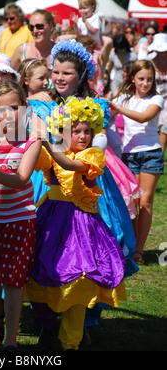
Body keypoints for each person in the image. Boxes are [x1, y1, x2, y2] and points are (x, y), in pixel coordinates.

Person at [24, 96, 127, 351]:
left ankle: (71, 341)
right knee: (41, 271)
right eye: (75, 131)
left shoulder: (93, 154)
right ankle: (48, 326)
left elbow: (68, 163)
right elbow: (31, 160)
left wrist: (47, 139)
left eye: (86, 131)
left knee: (80, 278)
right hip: (50, 219)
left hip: (82, 226)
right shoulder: (52, 150)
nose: (82, 135)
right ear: (64, 132)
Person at [0, 81, 41, 350]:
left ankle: (11, 341)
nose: (8, 115)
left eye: (15, 108)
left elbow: (21, 179)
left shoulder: (31, 139)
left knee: (13, 280)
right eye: (1, 109)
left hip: (20, 219)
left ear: (25, 108)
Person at [111, 60, 164, 265]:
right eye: (141, 79)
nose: (145, 83)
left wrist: (117, 107)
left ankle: (138, 251)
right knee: (132, 203)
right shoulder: (122, 98)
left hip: (151, 154)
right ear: (132, 78)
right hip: (129, 155)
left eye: (149, 79)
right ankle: (131, 247)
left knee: (146, 202)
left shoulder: (157, 99)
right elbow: (107, 111)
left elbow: (144, 118)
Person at [71, 0, 113, 70]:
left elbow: (94, 31)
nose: (82, 11)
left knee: (95, 62)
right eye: (80, 8)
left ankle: (97, 77)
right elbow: (78, 34)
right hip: (85, 46)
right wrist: (75, 24)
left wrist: (85, 22)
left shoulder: (95, 18)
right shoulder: (80, 20)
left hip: (95, 46)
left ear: (92, 8)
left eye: (85, 8)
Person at [148, 33, 167, 156]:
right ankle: (152, 154)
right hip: (153, 97)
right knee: (153, 125)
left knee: (165, 124)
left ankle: (160, 156)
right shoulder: (150, 61)